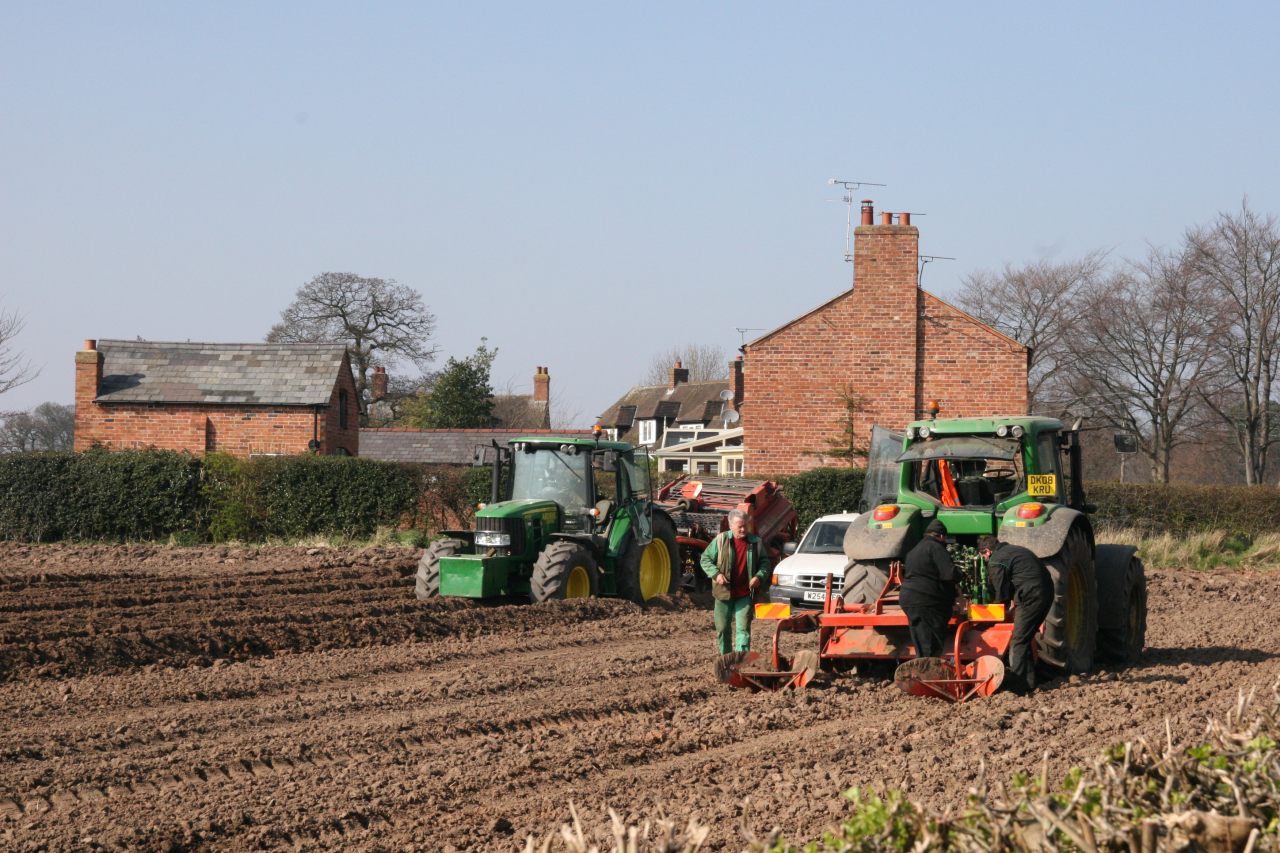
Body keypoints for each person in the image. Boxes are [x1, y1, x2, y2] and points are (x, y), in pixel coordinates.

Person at [978, 534, 1053, 694]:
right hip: (1046, 592)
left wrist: (993, 615)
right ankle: (1029, 683)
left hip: (1031, 595)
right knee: (1025, 638)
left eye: (983, 556)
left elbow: (1001, 593)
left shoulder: (996, 559)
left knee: (1017, 642)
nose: (985, 559)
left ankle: (1017, 686)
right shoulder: (1015, 551)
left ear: (987, 551)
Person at [700, 509, 772, 654]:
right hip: (723, 593)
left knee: (743, 630)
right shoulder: (720, 540)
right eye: (740, 526)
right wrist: (716, 575)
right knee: (722, 629)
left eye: (745, 526)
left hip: (745, 594)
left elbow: (765, 563)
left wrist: (759, 576)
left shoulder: (756, 543)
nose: (743, 529)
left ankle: (741, 661)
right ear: (730, 525)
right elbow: (705, 559)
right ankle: (726, 659)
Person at [899, 519, 957, 658]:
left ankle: (923, 668)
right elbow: (949, 574)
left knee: (921, 642)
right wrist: (961, 574)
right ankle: (930, 669)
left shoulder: (913, 551)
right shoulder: (936, 548)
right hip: (927, 601)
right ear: (941, 536)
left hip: (908, 599)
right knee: (932, 644)